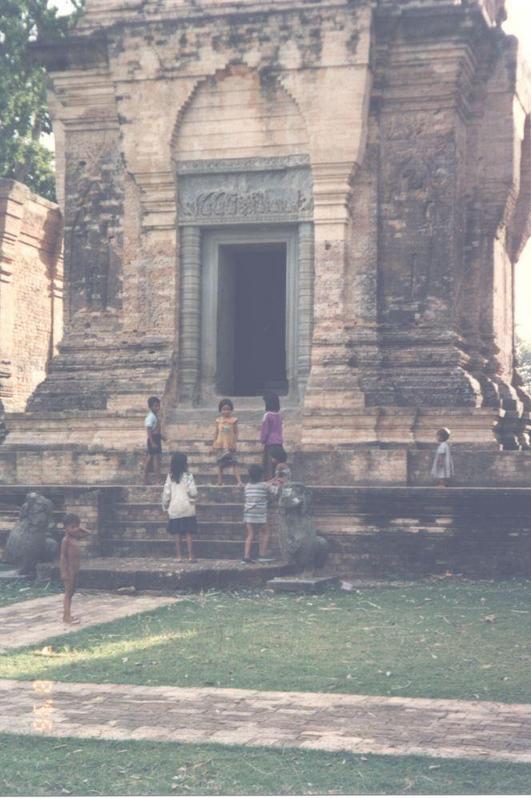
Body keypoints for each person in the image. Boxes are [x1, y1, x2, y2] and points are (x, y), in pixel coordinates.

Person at [162, 452, 198, 562]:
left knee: (177, 533)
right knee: (188, 532)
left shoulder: (170, 476)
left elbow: (166, 493)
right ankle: (191, 556)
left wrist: (165, 505)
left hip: (175, 508)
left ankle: (178, 557)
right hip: (187, 507)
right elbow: (193, 492)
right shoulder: (188, 476)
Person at [60, 513, 89, 624]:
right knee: (68, 594)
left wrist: (78, 528)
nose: (75, 529)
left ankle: (68, 615)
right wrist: (63, 572)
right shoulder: (66, 540)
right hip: (69, 570)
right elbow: (62, 557)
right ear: (65, 528)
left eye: (76, 526)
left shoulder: (75, 537)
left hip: (75, 570)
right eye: (72, 527)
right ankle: (66, 616)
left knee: (71, 593)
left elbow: (88, 533)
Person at [242, 464, 275, 564]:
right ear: (261, 475)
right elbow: (275, 491)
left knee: (250, 534)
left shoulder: (247, 486)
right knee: (265, 532)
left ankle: (246, 556)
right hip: (260, 513)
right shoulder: (264, 486)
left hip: (248, 513)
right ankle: (263, 554)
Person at [213, 398, 242, 486]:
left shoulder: (234, 420)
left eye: (228, 409)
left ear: (231, 409)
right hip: (220, 445)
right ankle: (220, 481)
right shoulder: (218, 421)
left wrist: (235, 441)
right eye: (224, 409)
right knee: (220, 464)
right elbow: (216, 432)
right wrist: (214, 443)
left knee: (234, 463)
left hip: (230, 445)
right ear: (220, 410)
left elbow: (236, 432)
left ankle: (239, 481)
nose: (226, 411)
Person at [260, 392, 284, 479]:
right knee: (277, 462)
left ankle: (269, 479)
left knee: (268, 463)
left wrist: (262, 440)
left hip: (270, 443)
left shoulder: (267, 415)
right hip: (279, 442)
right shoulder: (279, 416)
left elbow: (265, 430)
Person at [143, 396, 163, 484]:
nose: (158, 408)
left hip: (156, 439)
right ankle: (157, 480)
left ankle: (145, 479)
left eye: (158, 406)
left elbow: (156, 431)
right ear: (150, 407)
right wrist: (152, 442)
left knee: (150, 459)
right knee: (155, 460)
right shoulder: (150, 417)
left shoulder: (155, 416)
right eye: (155, 406)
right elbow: (149, 430)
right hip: (153, 440)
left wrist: (163, 437)